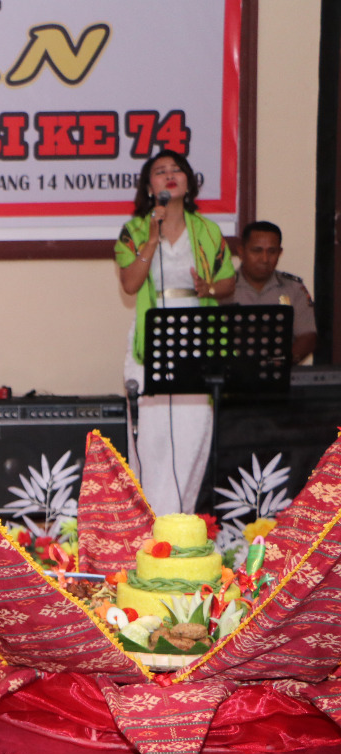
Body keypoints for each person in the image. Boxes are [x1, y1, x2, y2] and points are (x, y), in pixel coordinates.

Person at [114, 149, 236, 515]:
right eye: (159, 171)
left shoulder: (208, 230)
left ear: (188, 180)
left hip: (198, 341)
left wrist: (208, 289)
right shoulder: (134, 230)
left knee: (191, 436)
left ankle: (178, 526)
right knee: (150, 443)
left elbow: (228, 281)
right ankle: (151, 530)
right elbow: (130, 284)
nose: (169, 175)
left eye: (176, 169)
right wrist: (152, 238)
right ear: (149, 186)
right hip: (149, 345)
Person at [219, 220, 316, 364]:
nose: (265, 259)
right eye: (256, 251)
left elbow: (308, 336)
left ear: (280, 253)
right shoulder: (222, 288)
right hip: (232, 375)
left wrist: (283, 362)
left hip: (279, 374)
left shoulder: (294, 289)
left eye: (272, 251)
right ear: (241, 252)